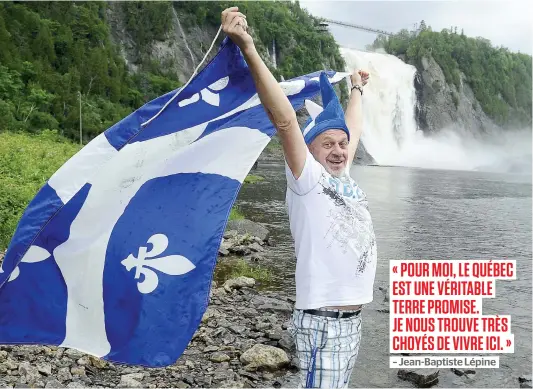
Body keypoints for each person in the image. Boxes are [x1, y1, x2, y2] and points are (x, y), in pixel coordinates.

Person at [221, 7, 377, 388]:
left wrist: (356, 89)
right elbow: (286, 120)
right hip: (325, 323)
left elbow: (351, 130)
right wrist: (248, 46)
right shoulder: (307, 178)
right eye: (328, 144)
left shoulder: (342, 176)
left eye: (343, 144)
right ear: (309, 151)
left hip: (350, 323)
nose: (340, 150)